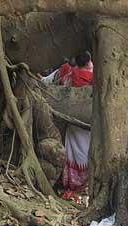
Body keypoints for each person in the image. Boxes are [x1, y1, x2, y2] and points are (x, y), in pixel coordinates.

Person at [54, 51, 94, 197]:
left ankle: (72, 182)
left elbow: (61, 87)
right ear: (89, 62)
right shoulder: (95, 78)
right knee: (87, 149)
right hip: (89, 122)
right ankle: (86, 183)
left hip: (73, 121)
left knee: (73, 150)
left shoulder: (70, 75)